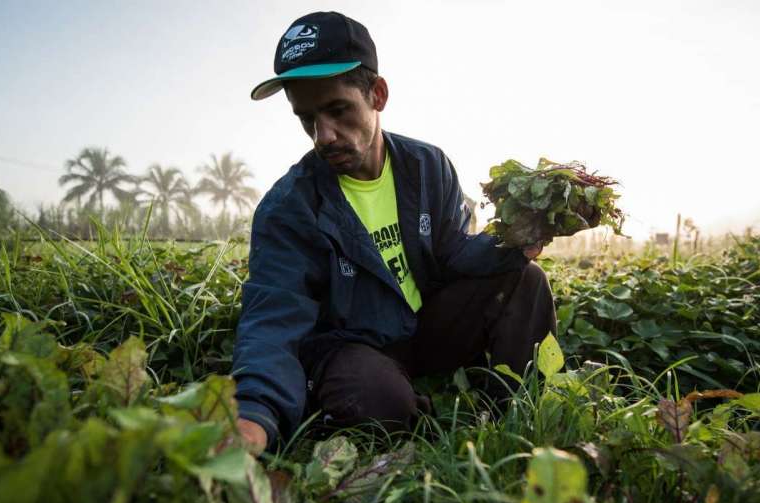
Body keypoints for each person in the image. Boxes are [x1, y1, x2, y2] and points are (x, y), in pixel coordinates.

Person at [233, 11, 556, 454]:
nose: (323, 135)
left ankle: (507, 417)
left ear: (377, 94)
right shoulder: (288, 209)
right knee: (377, 401)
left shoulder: (426, 165)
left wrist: (512, 242)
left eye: (337, 110)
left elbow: (454, 251)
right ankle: (415, 421)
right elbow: (274, 319)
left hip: (423, 329)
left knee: (526, 280)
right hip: (351, 347)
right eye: (307, 118)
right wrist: (253, 415)